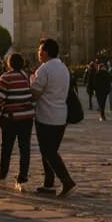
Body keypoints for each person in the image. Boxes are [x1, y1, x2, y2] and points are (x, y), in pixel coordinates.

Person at [31, 38, 76, 198]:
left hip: (46, 116)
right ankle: (48, 184)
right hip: (61, 116)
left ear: (45, 52)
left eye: (39, 50)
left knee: (48, 151)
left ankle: (67, 181)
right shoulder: (63, 68)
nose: (38, 53)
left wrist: (31, 83)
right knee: (50, 151)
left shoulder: (44, 69)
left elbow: (35, 93)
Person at [0, 53, 34, 192]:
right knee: (25, 148)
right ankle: (23, 180)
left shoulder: (6, 77)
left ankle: (2, 177)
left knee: (7, 148)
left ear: (9, 64)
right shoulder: (26, 76)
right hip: (27, 118)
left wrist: (2, 109)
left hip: (11, 118)